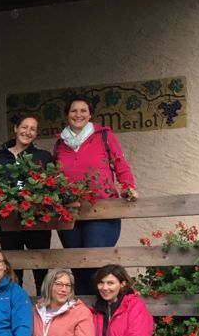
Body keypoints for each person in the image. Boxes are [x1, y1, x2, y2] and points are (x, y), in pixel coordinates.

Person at [54, 95, 138, 294]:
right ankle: (84, 309)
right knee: (76, 265)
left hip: (101, 208)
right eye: (74, 110)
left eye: (83, 110)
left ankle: (103, 307)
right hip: (70, 211)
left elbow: (120, 164)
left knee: (95, 264)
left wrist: (127, 187)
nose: (78, 114)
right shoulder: (60, 143)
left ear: (90, 114)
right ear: (67, 115)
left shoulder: (104, 136)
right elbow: (55, 176)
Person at [0, 115, 54, 292]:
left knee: (40, 266)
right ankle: (14, 302)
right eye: (24, 127)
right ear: (16, 129)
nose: (28, 132)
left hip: (37, 220)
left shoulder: (43, 156)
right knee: (12, 267)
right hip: (8, 219)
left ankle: (43, 303)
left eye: (32, 129)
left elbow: (52, 185)